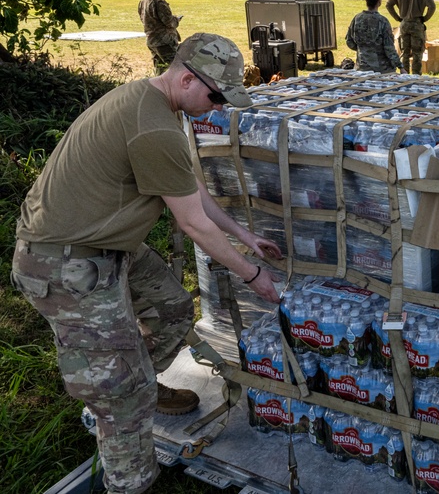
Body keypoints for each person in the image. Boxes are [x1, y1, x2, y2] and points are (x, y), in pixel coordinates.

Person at [11, 33, 284, 494]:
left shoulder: (157, 105)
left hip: (106, 245)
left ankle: (142, 381)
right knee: (121, 393)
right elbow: (194, 225)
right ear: (184, 78)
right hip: (63, 263)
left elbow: (191, 190)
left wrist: (244, 236)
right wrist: (255, 277)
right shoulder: (154, 126)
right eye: (216, 96)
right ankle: (129, 478)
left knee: (173, 308)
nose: (217, 108)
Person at [385, 0, 437, 74]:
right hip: (417, 24)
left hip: (404, 24)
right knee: (417, 53)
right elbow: (432, 6)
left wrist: (397, 17)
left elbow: (388, 4)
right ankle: (416, 76)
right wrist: (425, 18)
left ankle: (405, 75)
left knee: (405, 52)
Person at [346, 0, 406, 74]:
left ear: (366, 1)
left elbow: (349, 41)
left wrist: (364, 50)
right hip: (382, 69)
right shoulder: (383, 21)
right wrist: (400, 67)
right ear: (379, 1)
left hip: (362, 67)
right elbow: (389, 48)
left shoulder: (357, 19)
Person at [138, 0, 183, 74]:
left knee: (160, 71)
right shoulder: (158, 1)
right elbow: (169, 22)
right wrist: (176, 20)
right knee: (176, 69)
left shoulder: (143, 0)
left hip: (152, 40)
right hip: (164, 41)